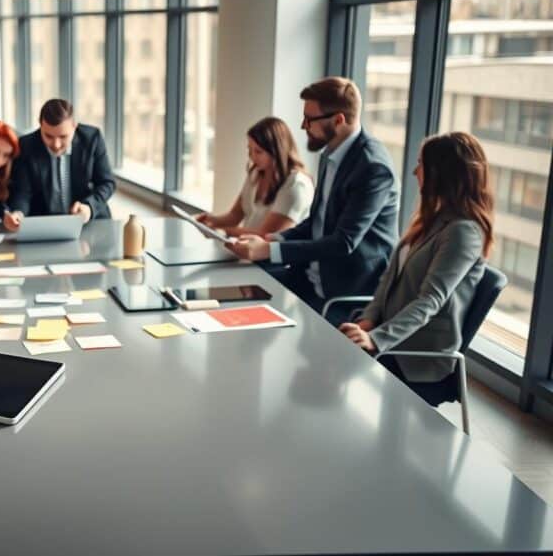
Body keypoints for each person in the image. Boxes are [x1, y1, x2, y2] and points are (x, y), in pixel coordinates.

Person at [339, 132, 494, 406]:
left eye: (421, 164)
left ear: (442, 173)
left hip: (419, 358)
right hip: (392, 340)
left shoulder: (463, 232)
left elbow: (429, 301)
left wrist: (375, 339)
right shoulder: (430, 220)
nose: (414, 171)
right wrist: (368, 320)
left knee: (332, 375)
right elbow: (389, 278)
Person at [229, 77, 399, 321]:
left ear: (338, 120)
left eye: (310, 119)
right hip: (310, 278)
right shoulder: (330, 153)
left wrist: (270, 249)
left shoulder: (373, 168)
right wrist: (272, 238)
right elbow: (317, 221)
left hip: (345, 292)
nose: (302, 125)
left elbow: (343, 242)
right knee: (239, 296)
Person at [5, 99, 116, 231]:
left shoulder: (92, 138)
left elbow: (107, 183)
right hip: (45, 226)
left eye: (63, 137)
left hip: (90, 223)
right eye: (48, 136)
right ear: (40, 125)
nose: (56, 145)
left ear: (74, 126)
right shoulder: (26, 145)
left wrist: (89, 207)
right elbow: (22, 192)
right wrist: (18, 213)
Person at [195, 116, 314, 237]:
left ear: (277, 150)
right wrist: (211, 220)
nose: (251, 156)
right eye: (249, 150)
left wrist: (223, 231)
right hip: (249, 251)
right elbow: (235, 216)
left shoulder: (297, 185)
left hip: (273, 254)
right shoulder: (256, 173)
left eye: (258, 151)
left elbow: (268, 235)